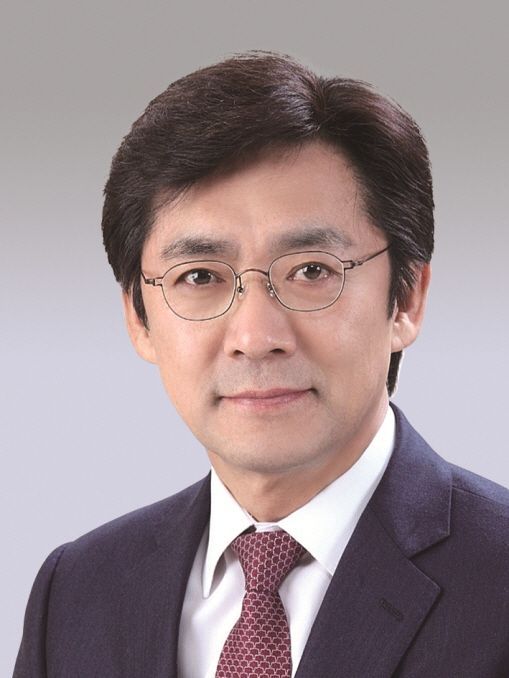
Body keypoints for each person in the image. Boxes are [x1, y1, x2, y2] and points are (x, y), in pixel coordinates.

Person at [14, 52, 509, 678]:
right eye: (199, 277)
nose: (255, 337)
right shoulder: (78, 593)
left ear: (406, 298)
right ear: (139, 317)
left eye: (311, 271)